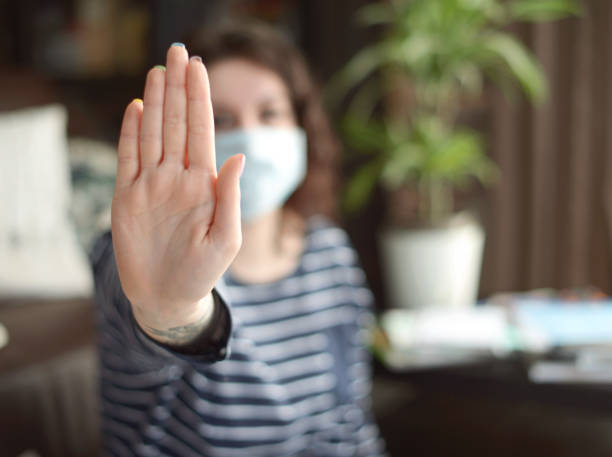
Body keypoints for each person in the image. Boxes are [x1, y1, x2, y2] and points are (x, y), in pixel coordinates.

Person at [92, 21, 387, 457]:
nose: (251, 137)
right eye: (223, 119)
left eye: (270, 114)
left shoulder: (328, 252)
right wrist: (173, 313)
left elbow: (350, 420)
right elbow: (154, 331)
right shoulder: (137, 258)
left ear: (302, 125)